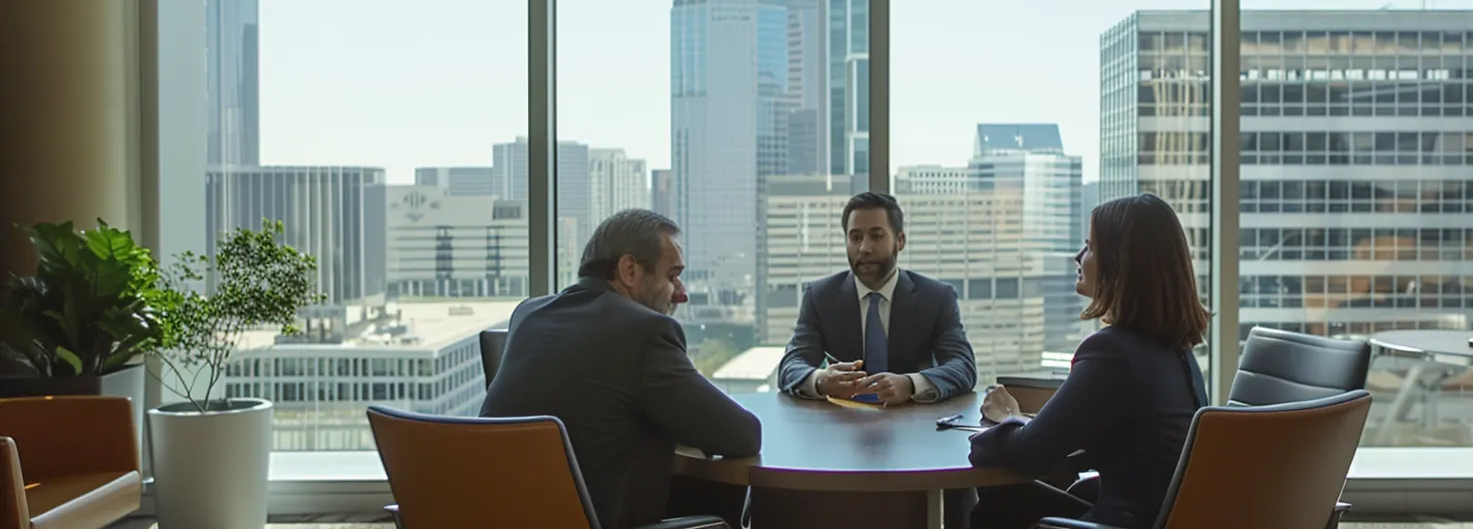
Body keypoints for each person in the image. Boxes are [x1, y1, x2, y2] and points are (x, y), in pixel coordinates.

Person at [481, 209, 761, 529]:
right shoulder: (645, 331)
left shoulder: (529, 314)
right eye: (672, 276)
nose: (681, 293)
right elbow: (740, 435)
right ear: (629, 270)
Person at [966, 193, 1212, 529]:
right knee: (1006, 499)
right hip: (1155, 518)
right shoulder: (1176, 351)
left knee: (997, 500)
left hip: (1120, 523)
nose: (1079, 256)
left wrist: (1006, 418)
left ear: (1121, 262)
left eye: (1090, 247)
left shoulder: (1113, 354)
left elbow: (1027, 456)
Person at [777, 191, 977, 405]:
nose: (864, 248)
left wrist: (910, 384)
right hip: (841, 424)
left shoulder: (936, 298)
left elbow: (963, 366)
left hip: (913, 424)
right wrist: (820, 380)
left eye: (877, 236)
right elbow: (792, 364)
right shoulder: (820, 297)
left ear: (900, 241)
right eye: (855, 237)